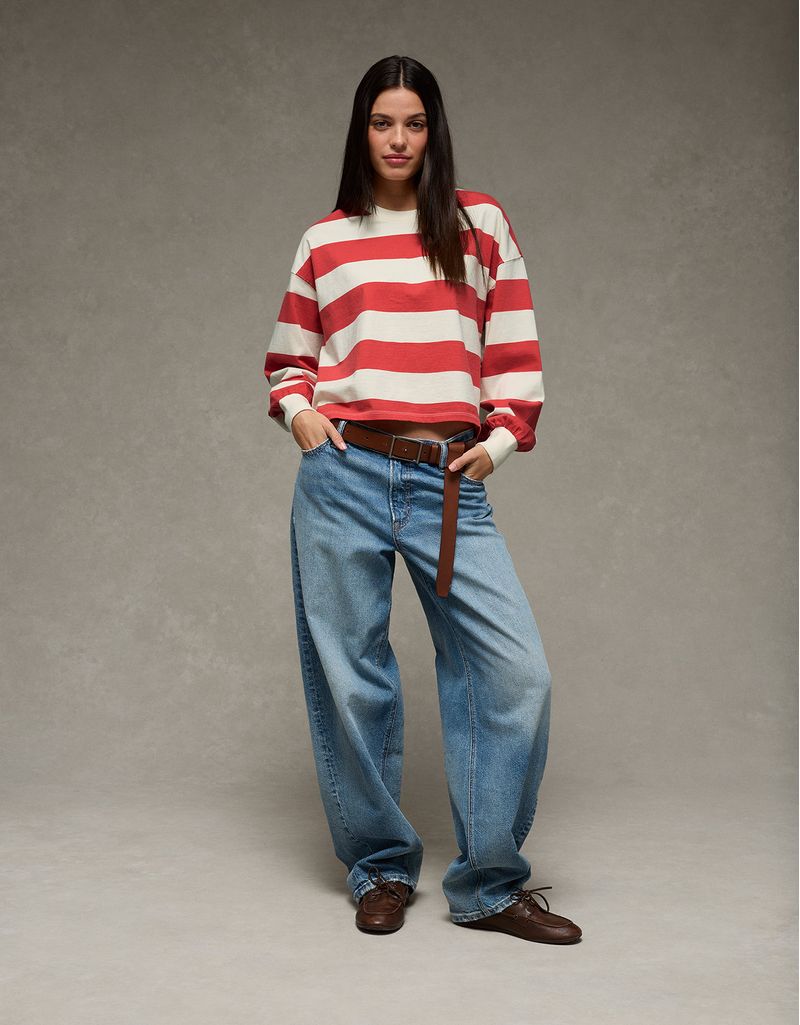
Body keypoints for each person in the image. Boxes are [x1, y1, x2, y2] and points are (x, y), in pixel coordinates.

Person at [263, 54, 582, 945]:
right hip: (344, 476)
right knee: (352, 677)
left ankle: (488, 885)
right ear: (360, 131)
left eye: (414, 122)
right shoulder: (326, 239)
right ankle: (380, 867)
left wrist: (500, 441)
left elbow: (513, 351)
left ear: (433, 131)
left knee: (513, 672)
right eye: (382, 122)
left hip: (448, 480)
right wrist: (300, 414)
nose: (398, 139)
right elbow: (290, 357)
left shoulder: (480, 225)